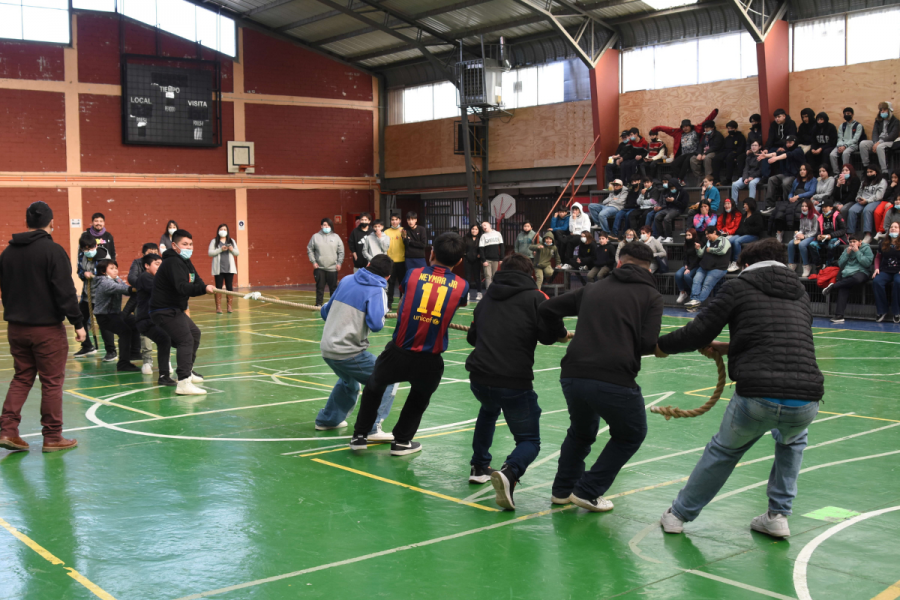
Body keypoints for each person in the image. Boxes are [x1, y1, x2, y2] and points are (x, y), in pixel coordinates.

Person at [657, 238, 823, 538]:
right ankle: (778, 515)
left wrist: (661, 345)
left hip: (757, 393)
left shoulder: (738, 286)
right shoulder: (801, 293)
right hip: (807, 397)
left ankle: (678, 515)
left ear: (745, 264)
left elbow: (697, 332)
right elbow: (776, 339)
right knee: (792, 441)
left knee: (724, 451)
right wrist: (729, 347)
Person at [539, 241, 663, 511]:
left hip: (573, 374)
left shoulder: (592, 288)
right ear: (649, 267)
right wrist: (661, 348)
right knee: (631, 434)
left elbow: (547, 309)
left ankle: (562, 491)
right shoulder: (651, 296)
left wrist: (557, 335)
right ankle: (588, 490)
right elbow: (646, 343)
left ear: (619, 262)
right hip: (614, 377)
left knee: (581, 433)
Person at [350, 233, 469, 456]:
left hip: (398, 351)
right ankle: (402, 441)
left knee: (374, 386)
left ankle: (359, 436)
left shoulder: (413, 274)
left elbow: (406, 299)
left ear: (431, 253)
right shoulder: (462, 285)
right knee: (419, 397)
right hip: (430, 357)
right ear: (459, 261)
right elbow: (455, 305)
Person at [464, 254, 567, 508]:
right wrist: (561, 333)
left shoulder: (487, 298)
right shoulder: (536, 297)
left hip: (479, 377)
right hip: (512, 381)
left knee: (488, 409)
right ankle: (510, 472)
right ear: (530, 274)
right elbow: (548, 337)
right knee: (530, 440)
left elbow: (472, 339)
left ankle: (479, 466)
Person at [0, 201, 85, 453]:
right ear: (51, 223)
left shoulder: (7, 253)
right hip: (47, 330)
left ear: (27, 223)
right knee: (51, 382)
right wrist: (78, 323)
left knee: (22, 377)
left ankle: (7, 430)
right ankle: (52, 436)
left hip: (16, 327)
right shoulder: (53, 251)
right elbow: (66, 291)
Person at [315, 254, 398, 441]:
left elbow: (325, 312)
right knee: (389, 377)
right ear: (387, 277)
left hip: (328, 348)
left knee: (350, 382)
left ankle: (327, 420)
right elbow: (376, 325)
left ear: (367, 265)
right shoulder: (378, 291)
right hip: (348, 351)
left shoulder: (346, 280)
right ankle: (372, 428)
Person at [150, 229, 217, 395]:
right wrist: (203, 289)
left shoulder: (186, 262)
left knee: (194, 334)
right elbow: (182, 287)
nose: (189, 247)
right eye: (184, 244)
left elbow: (197, 280)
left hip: (174, 309)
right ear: (174, 245)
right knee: (185, 339)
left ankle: (188, 370)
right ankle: (183, 382)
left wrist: (206, 286)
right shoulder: (172, 263)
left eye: (191, 244)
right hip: (163, 310)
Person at [92, 259, 140, 373]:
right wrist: (140, 287)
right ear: (104, 272)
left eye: (116, 268)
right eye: (111, 268)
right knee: (125, 332)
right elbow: (123, 289)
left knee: (136, 322)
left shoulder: (116, 279)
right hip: (105, 316)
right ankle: (123, 363)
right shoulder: (104, 282)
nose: (115, 271)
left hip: (115, 313)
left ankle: (134, 353)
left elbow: (125, 288)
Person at [133, 253, 174, 386]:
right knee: (165, 339)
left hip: (152, 318)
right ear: (146, 265)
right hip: (146, 320)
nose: (160, 267)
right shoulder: (146, 277)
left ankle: (166, 373)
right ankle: (164, 374)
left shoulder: (153, 278)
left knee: (166, 340)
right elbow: (162, 291)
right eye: (157, 264)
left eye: (161, 265)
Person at [73, 233, 114, 359]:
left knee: (104, 323)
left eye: (91, 248)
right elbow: (79, 271)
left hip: (102, 295)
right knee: (80, 319)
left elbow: (107, 275)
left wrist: (93, 276)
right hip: (87, 294)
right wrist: (83, 274)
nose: (88, 251)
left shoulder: (103, 256)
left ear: (95, 246)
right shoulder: (81, 256)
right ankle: (87, 346)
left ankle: (111, 351)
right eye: (85, 249)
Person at [654, 109, 719, 184]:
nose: (685, 128)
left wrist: (715, 112)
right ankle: (681, 179)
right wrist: (656, 129)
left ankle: (680, 179)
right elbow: (667, 129)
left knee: (686, 161)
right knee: (673, 164)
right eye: (683, 127)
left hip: (694, 152)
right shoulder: (679, 133)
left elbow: (707, 120)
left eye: (687, 126)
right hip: (684, 153)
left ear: (690, 126)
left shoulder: (696, 130)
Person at [823, 237, 874, 324]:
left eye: (854, 241)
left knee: (856, 279)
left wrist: (857, 252)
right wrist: (847, 254)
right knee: (843, 287)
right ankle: (839, 315)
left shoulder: (866, 249)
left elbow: (867, 263)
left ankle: (833, 286)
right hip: (848, 273)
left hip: (862, 272)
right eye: (850, 242)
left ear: (860, 241)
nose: (852, 244)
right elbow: (840, 264)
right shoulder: (847, 250)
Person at [684, 229, 730, 309]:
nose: (706, 236)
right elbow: (701, 254)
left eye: (708, 234)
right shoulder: (709, 242)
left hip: (718, 268)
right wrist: (698, 249)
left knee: (707, 285)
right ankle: (694, 300)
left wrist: (710, 250)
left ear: (714, 232)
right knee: (696, 281)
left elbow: (722, 250)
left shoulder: (724, 240)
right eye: (705, 234)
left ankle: (697, 302)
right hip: (704, 267)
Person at [761, 135, 805, 215]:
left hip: (795, 175)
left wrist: (776, 158)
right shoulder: (786, 150)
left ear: (795, 143)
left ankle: (786, 204)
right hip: (786, 174)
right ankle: (770, 205)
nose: (788, 144)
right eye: (787, 142)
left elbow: (787, 155)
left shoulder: (798, 150)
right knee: (772, 179)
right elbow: (776, 153)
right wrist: (765, 156)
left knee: (786, 182)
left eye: (790, 142)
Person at [772, 163, 816, 240]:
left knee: (797, 211)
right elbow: (792, 191)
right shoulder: (796, 180)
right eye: (800, 170)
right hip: (794, 199)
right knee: (781, 210)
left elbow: (811, 192)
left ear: (808, 171)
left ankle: (797, 232)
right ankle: (779, 232)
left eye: (804, 170)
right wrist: (790, 198)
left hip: (804, 200)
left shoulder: (813, 180)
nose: (802, 171)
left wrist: (798, 196)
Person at [307, 218, 344, 308]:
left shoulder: (336, 237)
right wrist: (313, 262)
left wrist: (339, 263)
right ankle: (319, 304)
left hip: (333, 268)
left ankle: (334, 305)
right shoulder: (315, 237)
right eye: (324, 225)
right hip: (319, 267)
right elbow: (310, 249)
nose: (326, 227)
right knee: (320, 287)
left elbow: (341, 251)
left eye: (328, 225)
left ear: (331, 226)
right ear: (321, 226)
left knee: (333, 288)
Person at [845, 166, 887, 244]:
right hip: (862, 200)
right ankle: (850, 234)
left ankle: (868, 234)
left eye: (871, 172)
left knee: (867, 210)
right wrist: (858, 199)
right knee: (852, 210)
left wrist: (867, 201)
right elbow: (859, 192)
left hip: (875, 201)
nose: (869, 174)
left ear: (876, 172)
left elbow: (879, 196)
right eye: (868, 172)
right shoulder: (864, 181)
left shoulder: (882, 181)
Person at [208, 224, 240, 315]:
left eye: (225, 229)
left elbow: (237, 253)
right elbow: (210, 253)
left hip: (229, 268)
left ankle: (229, 306)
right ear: (218, 231)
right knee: (218, 287)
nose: (223, 230)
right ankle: (218, 307)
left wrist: (231, 249)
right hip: (218, 269)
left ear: (227, 231)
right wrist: (220, 250)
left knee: (229, 287)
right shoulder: (214, 241)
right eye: (221, 229)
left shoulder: (232, 241)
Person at [872, 222, 900, 323]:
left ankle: (897, 312)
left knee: (898, 282)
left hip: (898, 271)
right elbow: (878, 257)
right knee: (877, 282)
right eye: (891, 227)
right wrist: (876, 268)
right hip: (886, 270)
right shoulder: (883, 242)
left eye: (896, 227)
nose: (893, 229)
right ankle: (882, 310)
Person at [726, 198, 764, 273]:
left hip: (753, 235)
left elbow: (759, 228)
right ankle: (729, 261)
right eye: (744, 204)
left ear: (750, 204)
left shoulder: (757, 215)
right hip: (742, 234)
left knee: (737, 241)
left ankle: (737, 262)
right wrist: (741, 231)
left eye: (746, 204)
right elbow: (741, 227)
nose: (744, 206)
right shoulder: (744, 216)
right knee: (729, 241)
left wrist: (746, 230)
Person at [860, 102, 899, 174]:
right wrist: (875, 142)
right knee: (863, 144)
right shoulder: (878, 120)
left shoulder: (896, 122)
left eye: (884, 109)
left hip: (889, 141)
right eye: (881, 110)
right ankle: (866, 167)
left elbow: (892, 135)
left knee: (879, 147)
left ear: (889, 110)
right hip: (878, 141)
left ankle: (884, 171)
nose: (882, 111)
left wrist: (879, 143)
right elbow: (875, 132)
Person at [809, 203, 848, 269]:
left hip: (837, 238)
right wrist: (818, 235)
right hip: (824, 238)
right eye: (822, 207)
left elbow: (843, 230)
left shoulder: (837, 215)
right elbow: (818, 230)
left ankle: (829, 265)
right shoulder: (821, 217)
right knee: (812, 244)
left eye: (825, 207)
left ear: (831, 207)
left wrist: (831, 235)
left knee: (831, 245)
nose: (824, 209)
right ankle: (818, 265)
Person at [787, 200, 820, 278]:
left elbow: (815, 231)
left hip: (812, 236)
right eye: (802, 206)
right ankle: (791, 264)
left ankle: (806, 265)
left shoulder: (815, 216)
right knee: (791, 243)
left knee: (802, 245)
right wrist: (798, 234)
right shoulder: (802, 216)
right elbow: (801, 228)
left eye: (806, 206)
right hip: (804, 235)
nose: (804, 208)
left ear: (810, 207)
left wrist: (804, 237)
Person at [829, 107, 864, 175]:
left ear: (852, 114)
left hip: (853, 145)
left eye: (848, 113)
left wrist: (845, 146)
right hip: (841, 145)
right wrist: (840, 146)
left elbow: (855, 139)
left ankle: (846, 172)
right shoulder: (842, 126)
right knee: (832, 155)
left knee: (845, 153)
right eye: (845, 113)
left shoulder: (858, 125)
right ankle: (836, 173)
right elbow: (839, 137)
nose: (846, 115)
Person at [653, 175, 687, 243]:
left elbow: (684, 205)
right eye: (670, 188)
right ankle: (661, 236)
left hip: (678, 209)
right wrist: (668, 201)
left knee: (667, 218)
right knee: (657, 217)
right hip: (669, 208)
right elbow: (667, 204)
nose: (672, 189)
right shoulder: (670, 192)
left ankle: (669, 237)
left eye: (673, 187)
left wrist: (674, 201)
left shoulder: (683, 192)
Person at [384, 214, 406, 309]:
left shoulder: (404, 230)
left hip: (402, 260)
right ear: (390, 221)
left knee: (402, 283)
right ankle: (389, 304)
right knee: (391, 283)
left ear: (399, 220)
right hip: (390, 261)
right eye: (392, 220)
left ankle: (402, 303)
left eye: (396, 220)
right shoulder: (386, 232)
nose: (394, 222)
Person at [675, 228, 702, 304]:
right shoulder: (686, 244)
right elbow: (685, 257)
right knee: (677, 275)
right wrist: (686, 265)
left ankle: (694, 293)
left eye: (689, 235)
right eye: (686, 235)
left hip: (696, 265)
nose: (687, 236)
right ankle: (683, 292)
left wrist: (689, 268)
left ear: (693, 235)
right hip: (688, 264)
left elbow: (697, 258)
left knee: (687, 276)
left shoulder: (698, 244)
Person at [874, 170, 900, 240]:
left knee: (888, 210)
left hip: (894, 202)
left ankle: (883, 231)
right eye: (892, 177)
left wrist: (892, 202)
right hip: (886, 201)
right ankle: (878, 232)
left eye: (895, 177)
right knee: (877, 212)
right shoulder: (890, 183)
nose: (893, 179)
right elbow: (884, 196)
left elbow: (897, 197)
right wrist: (890, 187)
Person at [479, 220, 504, 287]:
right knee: (488, 276)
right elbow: (481, 249)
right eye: (482, 226)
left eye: (485, 225)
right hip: (487, 259)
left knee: (495, 276)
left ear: (489, 224)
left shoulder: (497, 234)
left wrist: (501, 258)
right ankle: (488, 293)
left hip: (496, 258)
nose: (484, 227)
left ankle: (494, 292)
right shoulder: (483, 236)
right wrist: (483, 260)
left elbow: (502, 246)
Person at [464, 224, 483, 301]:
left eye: (476, 229)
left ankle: (479, 293)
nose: (474, 230)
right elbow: (462, 247)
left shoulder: (481, 238)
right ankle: (467, 294)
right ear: (470, 229)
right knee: (467, 277)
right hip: (467, 260)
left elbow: (483, 249)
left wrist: (480, 255)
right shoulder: (465, 238)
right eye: (473, 229)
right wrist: (465, 254)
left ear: (478, 230)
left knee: (477, 277)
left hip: (477, 260)